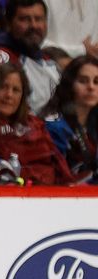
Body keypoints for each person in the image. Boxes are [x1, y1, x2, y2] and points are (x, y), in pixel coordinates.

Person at [0, 62, 75, 186]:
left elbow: (58, 164)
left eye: (16, 90)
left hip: (48, 193)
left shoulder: (35, 124)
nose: (9, 95)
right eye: (3, 87)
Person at [0, 0, 60, 115]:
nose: (33, 25)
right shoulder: (2, 61)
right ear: (9, 24)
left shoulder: (48, 61)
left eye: (38, 19)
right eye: (25, 19)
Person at [42, 55, 98, 184]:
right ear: (70, 84)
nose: (91, 87)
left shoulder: (93, 124)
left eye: (96, 82)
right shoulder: (54, 127)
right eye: (83, 81)